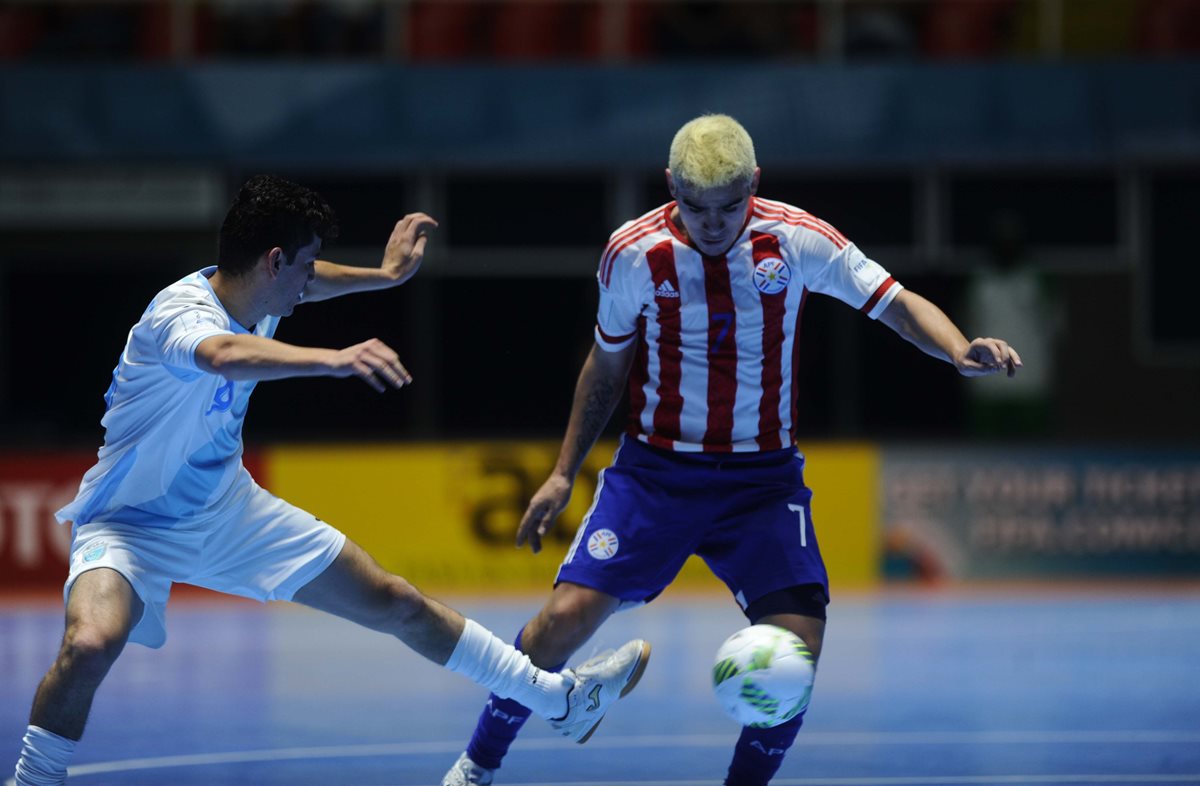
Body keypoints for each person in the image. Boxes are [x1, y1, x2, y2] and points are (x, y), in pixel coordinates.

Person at [11, 175, 651, 786]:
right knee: (91, 642)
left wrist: (386, 275)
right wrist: (334, 359)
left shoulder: (257, 292)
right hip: (129, 520)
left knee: (395, 601)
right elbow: (223, 356)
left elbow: (306, 289)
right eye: (305, 263)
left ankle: (560, 702)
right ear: (272, 261)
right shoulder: (178, 316)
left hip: (224, 509)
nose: (309, 281)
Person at [441, 115, 1020, 786]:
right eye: (695, 206)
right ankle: (476, 766)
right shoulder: (632, 253)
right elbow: (605, 367)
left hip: (762, 485)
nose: (713, 223)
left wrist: (956, 350)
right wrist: (564, 472)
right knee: (562, 620)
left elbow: (893, 302)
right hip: (655, 475)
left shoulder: (798, 239)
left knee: (796, 655)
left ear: (755, 184)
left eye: (729, 206)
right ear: (670, 188)